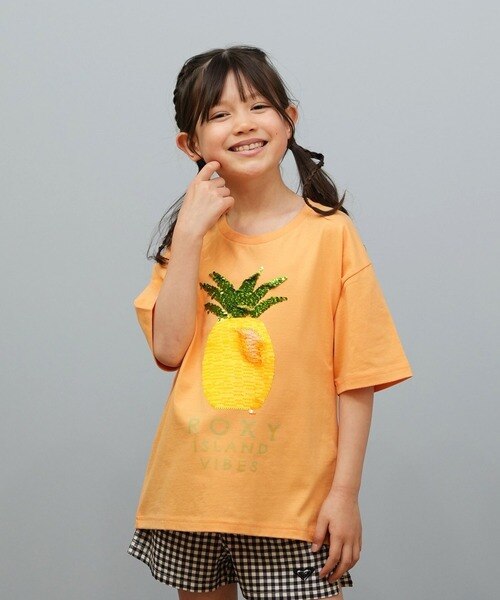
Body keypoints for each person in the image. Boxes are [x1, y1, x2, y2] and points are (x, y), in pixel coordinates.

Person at [127, 45, 413, 600]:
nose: (243, 124)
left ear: (289, 119)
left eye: (258, 105)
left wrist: (345, 494)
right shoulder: (189, 241)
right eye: (219, 114)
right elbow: (168, 349)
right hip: (194, 491)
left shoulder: (331, 235)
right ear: (190, 144)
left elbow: (358, 377)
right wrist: (189, 235)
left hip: (297, 503)